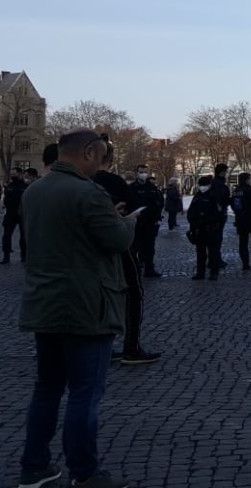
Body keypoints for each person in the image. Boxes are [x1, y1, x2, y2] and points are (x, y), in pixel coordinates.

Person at [18, 128, 137, 488]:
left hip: (45, 302)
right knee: (85, 393)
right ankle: (85, 473)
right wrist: (125, 222)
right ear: (87, 152)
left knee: (47, 388)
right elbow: (116, 241)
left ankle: (35, 466)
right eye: (101, 159)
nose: (101, 167)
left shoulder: (35, 189)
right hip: (86, 304)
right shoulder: (88, 192)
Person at [90, 144, 159, 366]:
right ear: (108, 159)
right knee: (133, 291)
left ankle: (96, 344)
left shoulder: (78, 182)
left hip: (86, 247)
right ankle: (131, 347)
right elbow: (136, 207)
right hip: (119, 241)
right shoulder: (113, 181)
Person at [126, 164, 165, 278]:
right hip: (136, 223)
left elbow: (159, 202)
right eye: (141, 172)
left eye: (145, 172)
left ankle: (149, 269)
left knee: (149, 248)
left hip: (150, 223)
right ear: (136, 173)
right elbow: (129, 203)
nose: (143, 174)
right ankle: (134, 269)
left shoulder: (152, 188)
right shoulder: (132, 188)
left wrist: (155, 214)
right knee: (134, 248)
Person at [186, 176, 225, 281]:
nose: (202, 187)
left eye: (204, 185)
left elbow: (218, 214)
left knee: (213, 252)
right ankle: (200, 273)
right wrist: (193, 223)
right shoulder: (197, 196)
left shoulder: (214, 196)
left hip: (211, 228)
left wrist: (207, 221)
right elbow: (191, 212)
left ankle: (214, 272)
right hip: (199, 229)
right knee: (200, 253)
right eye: (201, 185)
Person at [0, 166, 27, 263]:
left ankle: (24, 257)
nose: (12, 176)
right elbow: (6, 199)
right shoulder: (10, 185)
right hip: (10, 213)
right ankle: (6, 256)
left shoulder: (25, 186)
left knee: (24, 236)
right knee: (6, 235)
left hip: (22, 214)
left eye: (14, 174)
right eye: (11, 174)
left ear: (20, 174)